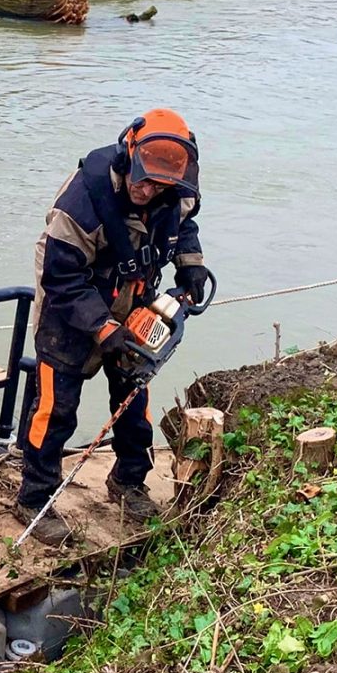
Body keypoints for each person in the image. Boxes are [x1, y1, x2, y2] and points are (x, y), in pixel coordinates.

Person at [15, 109, 213, 545]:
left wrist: (191, 265)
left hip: (134, 301)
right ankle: (35, 498)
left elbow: (185, 227)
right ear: (128, 159)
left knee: (133, 399)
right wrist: (102, 327)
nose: (147, 191)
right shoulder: (80, 204)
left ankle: (128, 480)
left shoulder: (175, 194)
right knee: (56, 409)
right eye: (142, 182)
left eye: (158, 186)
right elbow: (60, 277)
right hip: (69, 309)